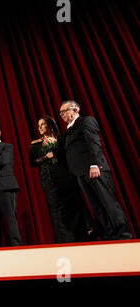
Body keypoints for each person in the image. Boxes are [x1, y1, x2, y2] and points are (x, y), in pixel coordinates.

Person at [59, 100, 132, 240]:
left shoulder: (86, 121)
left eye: (65, 111)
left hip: (94, 169)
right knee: (97, 206)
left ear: (75, 110)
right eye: (60, 112)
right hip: (80, 173)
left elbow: (94, 143)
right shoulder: (68, 131)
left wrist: (94, 165)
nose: (62, 114)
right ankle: (110, 235)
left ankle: (124, 235)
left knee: (108, 202)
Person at [29, 116, 93, 243]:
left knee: (74, 202)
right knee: (57, 207)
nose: (40, 127)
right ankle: (65, 239)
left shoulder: (61, 139)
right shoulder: (35, 144)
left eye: (42, 124)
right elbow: (32, 162)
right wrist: (45, 157)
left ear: (50, 125)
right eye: (38, 126)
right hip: (48, 178)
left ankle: (84, 234)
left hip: (64, 174)